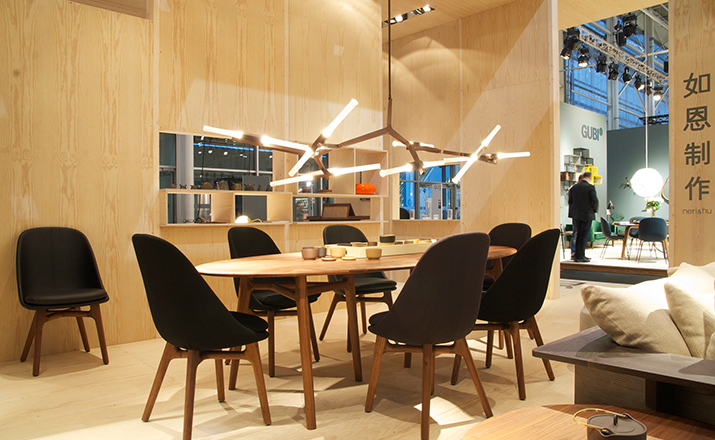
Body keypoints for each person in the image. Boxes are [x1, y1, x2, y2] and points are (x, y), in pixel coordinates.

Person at [568, 171, 599, 263]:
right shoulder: (590, 187)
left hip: (576, 214)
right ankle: (581, 255)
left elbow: (570, 201)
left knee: (578, 234)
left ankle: (576, 255)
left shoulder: (574, 187)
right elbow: (595, 201)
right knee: (584, 235)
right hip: (586, 214)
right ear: (590, 177)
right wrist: (593, 210)